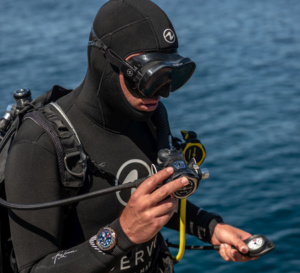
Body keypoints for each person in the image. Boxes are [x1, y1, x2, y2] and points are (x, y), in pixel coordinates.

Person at [5, 0, 258, 272]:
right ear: (106, 64)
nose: (162, 94)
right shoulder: (39, 144)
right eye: (148, 79)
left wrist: (210, 227)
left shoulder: (148, 120)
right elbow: (33, 268)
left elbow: (140, 203)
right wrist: (121, 235)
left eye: (170, 76)